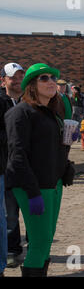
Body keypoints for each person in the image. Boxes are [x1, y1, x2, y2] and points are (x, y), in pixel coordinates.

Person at [5, 63, 74, 276]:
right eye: (44, 78)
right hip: (33, 187)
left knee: (46, 239)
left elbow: (53, 148)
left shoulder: (50, 113)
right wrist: (33, 192)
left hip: (53, 184)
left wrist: (66, 167)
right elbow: (17, 157)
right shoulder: (20, 113)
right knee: (40, 241)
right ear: (32, 85)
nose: (51, 82)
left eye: (53, 78)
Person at [0, 63, 25, 269]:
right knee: (9, 214)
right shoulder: (2, 103)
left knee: (33, 211)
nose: (17, 81)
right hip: (6, 167)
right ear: (3, 81)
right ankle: (11, 250)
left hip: (29, 167)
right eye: (12, 78)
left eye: (20, 77)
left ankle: (34, 248)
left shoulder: (29, 102)